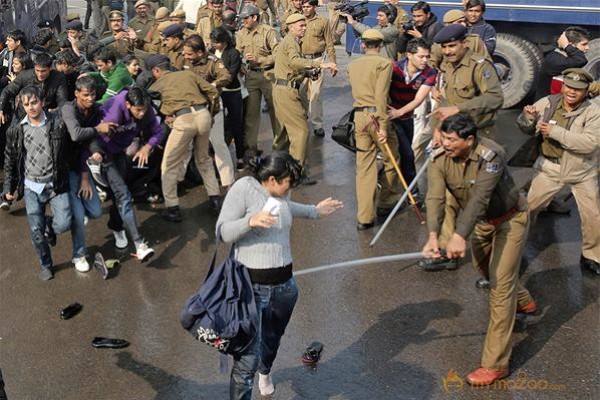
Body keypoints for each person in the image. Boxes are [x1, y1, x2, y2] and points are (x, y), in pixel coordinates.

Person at [216, 151, 343, 399]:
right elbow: (222, 231)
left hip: (285, 287)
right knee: (245, 362)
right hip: (251, 289)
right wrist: (250, 221)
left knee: (272, 340)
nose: (290, 188)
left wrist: (314, 211)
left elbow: (286, 208)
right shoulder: (244, 189)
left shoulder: (281, 194)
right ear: (272, 179)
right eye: (288, 183)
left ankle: (266, 371)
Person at [422, 113, 537, 386]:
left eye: (451, 140)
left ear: (469, 139)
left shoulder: (491, 155)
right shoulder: (439, 159)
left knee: (499, 286)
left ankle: (495, 364)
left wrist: (460, 236)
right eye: (444, 138)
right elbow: (435, 197)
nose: (446, 144)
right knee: (483, 266)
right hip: (483, 224)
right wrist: (433, 236)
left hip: (511, 219)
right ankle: (525, 300)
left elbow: (479, 199)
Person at [420, 24, 503, 271]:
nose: (447, 51)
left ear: (463, 44)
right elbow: (444, 100)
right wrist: (438, 128)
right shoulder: (445, 66)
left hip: (477, 137)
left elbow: (496, 98)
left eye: (452, 46)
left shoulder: (479, 66)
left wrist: (460, 109)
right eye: (444, 47)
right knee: (447, 194)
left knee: (479, 197)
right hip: (451, 139)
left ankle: (496, 248)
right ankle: (446, 251)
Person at [517, 68, 600, 276]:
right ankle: (511, 253)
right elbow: (526, 128)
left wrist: (555, 132)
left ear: (586, 92)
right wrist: (527, 118)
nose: (572, 92)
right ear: (563, 86)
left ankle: (591, 256)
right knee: (525, 213)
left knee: (593, 217)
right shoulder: (548, 103)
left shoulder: (594, 112)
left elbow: (590, 143)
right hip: (549, 168)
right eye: (569, 87)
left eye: (578, 89)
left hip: (582, 171)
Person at [2, 86, 73, 281]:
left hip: (56, 184)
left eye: (34, 102)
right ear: (21, 106)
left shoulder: (58, 124)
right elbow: (9, 160)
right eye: (26, 104)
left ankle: (49, 226)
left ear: (42, 102)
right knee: (36, 232)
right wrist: (7, 188)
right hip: (31, 186)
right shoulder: (16, 130)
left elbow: (70, 150)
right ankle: (46, 265)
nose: (31, 107)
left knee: (65, 222)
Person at [147, 54, 222, 221]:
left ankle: (172, 208)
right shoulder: (188, 74)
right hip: (203, 115)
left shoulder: (157, 84)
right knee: (204, 159)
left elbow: (151, 104)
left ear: (156, 70)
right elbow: (213, 91)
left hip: (183, 120)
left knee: (169, 164)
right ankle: (215, 199)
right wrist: (211, 114)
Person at [89, 87, 160, 261]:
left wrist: (147, 146)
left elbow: (159, 131)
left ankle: (116, 226)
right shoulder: (113, 113)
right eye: (138, 110)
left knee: (118, 195)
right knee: (124, 196)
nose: (142, 113)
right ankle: (139, 244)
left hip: (120, 151)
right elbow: (92, 135)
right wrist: (97, 152)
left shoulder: (147, 109)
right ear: (128, 105)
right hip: (104, 153)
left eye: (145, 109)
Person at [347, 29, 400, 230]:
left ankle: (364, 217)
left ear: (363, 45)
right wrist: (383, 125)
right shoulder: (384, 64)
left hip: (359, 116)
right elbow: (380, 96)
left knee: (364, 168)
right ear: (381, 44)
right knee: (391, 158)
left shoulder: (353, 65)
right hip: (377, 117)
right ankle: (386, 202)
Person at [272, 13, 336, 181]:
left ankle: (276, 167)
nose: (304, 28)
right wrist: (320, 64)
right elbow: (294, 61)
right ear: (291, 26)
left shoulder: (290, 42)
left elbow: (291, 67)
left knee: (283, 134)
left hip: (282, 89)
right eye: (301, 25)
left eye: (305, 25)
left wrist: (308, 72)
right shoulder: (291, 42)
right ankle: (296, 173)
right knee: (301, 132)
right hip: (287, 92)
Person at [61, 76, 105, 272]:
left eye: (93, 94)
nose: (90, 98)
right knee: (78, 217)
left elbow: (92, 139)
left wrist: (96, 151)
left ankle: (74, 210)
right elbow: (76, 135)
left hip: (82, 166)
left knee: (95, 211)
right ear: (76, 93)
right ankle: (78, 254)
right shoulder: (67, 109)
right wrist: (97, 129)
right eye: (86, 95)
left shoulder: (95, 110)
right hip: (65, 166)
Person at [183, 34, 235, 189]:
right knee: (185, 144)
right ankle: (178, 180)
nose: (186, 57)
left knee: (218, 144)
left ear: (200, 53)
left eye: (190, 54)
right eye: (185, 53)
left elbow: (226, 76)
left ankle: (228, 181)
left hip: (211, 108)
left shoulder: (213, 62)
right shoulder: (184, 59)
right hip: (190, 107)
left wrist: (214, 84)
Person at [387, 38, 437, 198]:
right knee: (404, 155)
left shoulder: (429, 73)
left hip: (405, 117)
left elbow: (418, 100)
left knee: (406, 154)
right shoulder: (393, 68)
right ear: (409, 55)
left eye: (427, 57)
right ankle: (412, 194)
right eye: (421, 56)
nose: (425, 60)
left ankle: (408, 192)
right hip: (388, 118)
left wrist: (398, 112)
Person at [236, 5, 281, 162]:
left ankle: (279, 148)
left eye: (245, 18)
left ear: (254, 18)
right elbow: (237, 52)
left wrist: (260, 60)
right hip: (251, 76)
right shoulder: (241, 33)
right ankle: (251, 150)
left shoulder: (268, 31)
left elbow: (278, 54)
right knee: (251, 114)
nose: (243, 21)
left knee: (276, 112)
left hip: (269, 75)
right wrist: (241, 64)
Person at [301, 0, 336, 138]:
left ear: (314, 7)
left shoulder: (323, 21)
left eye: (308, 6)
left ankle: (317, 125)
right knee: (300, 92)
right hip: (301, 60)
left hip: (317, 60)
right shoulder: (297, 19)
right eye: (303, 6)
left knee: (316, 94)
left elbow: (329, 43)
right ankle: (302, 120)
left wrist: (333, 63)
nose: (305, 9)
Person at [210, 27, 245, 169]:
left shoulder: (233, 53)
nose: (214, 45)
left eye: (216, 42)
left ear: (224, 41)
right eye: (213, 42)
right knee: (217, 125)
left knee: (237, 124)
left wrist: (216, 82)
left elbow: (230, 75)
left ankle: (240, 156)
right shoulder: (212, 53)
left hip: (232, 92)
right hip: (218, 92)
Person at [0, 53, 69, 124]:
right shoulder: (25, 76)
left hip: (46, 116)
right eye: (37, 70)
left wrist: (54, 111)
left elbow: (62, 101)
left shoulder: (58, 78)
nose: (40, 74)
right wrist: (1, 109)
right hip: (22, 115)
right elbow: (8, 91)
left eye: (43, 71)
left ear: (50, 68)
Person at [535, 26, 590, 101]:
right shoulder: (554, 60)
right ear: (571, 45)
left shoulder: (565, 58)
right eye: (584, 44)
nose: (587, 48)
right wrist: (567, 46)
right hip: (548, 107)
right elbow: (581, 60)